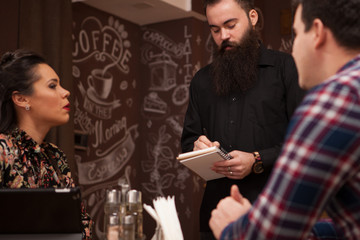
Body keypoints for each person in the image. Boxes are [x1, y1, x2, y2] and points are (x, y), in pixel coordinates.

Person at [209, 0, 360, 239]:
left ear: (317, 33)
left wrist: (232, 228)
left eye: (297, 34)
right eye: (215, 29)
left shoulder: (335, 99)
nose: (294, 48)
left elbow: (267, 234)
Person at [180, 0, 304, 238]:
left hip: (272, 211)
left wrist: (257, 159)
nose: (223, 36)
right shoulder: (201, 81)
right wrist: (197, 147)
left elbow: (304, 142)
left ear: (253, 17)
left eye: (230, 25)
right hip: (215, 214)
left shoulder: (285, 67)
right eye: (215, 29)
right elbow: (188, 142)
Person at [0, 49, 93, 239]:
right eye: (52, 86)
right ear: (21, 99)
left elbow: (81, 225)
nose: (66, 92)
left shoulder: (55, 156)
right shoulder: (2, 150)